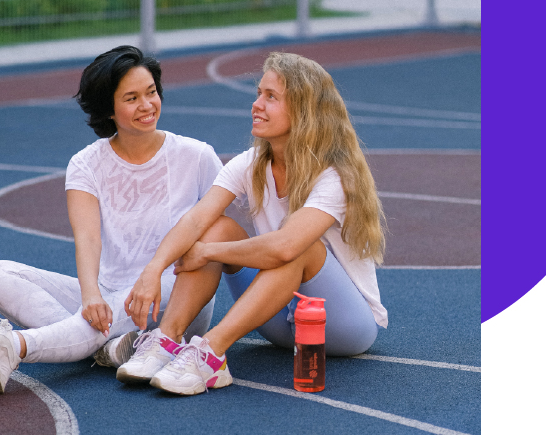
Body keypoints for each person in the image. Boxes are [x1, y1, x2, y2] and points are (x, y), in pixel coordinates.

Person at [0, 45, 223, 393]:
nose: (147, 105)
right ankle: (109, 349)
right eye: (132, 98)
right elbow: (88, 238)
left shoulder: (197, 157)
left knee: (131, 299)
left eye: (151, 92)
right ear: (108, 108)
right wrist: (91, 293)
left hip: (175, 294)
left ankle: (15, 347)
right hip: (111, 291)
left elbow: (226, 228)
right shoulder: (85, 163)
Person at [115, 51, 388, 396]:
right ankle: (166, 339)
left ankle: (211, 354)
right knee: (216, 226)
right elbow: (197, 218)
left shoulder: (334, 176)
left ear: (303, 111)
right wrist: (154, 269)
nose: (256, 104)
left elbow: (286, 246)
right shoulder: (251, 163)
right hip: (279, 320)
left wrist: (207, 252)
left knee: (298, 248)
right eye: (259, 93)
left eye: (271, 96)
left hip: (342, 325)